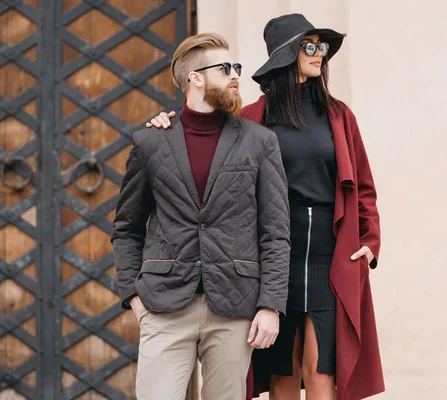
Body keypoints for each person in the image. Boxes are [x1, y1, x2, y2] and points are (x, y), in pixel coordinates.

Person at [146, 14, 384, 400]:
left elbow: (365, 187)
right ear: (287, 53)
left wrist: (370, 241)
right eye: (309, 46)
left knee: (322, 368)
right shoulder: (250, 118)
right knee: (282, 370)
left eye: (321, 46)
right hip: (273, 253)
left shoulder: (340, 116)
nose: (318, 54)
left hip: (331, 253)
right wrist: (165, 123)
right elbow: (200, 130)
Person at [112, 32, 291, 400]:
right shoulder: (150, 142)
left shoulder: (259, 142)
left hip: (234, 306)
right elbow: (127, 228)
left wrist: (271, 304)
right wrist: (133, 295)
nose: (235, 75)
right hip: (163, 305)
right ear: (195, 78)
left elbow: (275, 231)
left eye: (235, 67)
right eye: (225, 68)